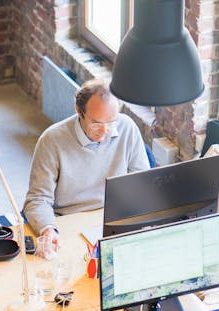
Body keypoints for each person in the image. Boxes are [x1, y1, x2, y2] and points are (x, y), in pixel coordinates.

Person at [22, 79, 149, 256]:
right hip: (67, 222)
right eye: (96, 123)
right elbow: (37, 199)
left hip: (113, 220)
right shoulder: (52, 140)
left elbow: (141, 184)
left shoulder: (126, 127)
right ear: (79, 111)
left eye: (111, 123)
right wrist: (48, 229)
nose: (104, 132)